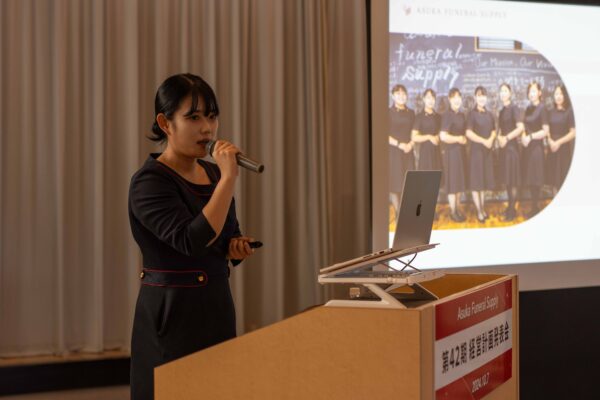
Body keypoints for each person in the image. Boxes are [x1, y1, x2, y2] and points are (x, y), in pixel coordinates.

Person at [128, 73, 256, 400]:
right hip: (172, 313)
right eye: (194, 117)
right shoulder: (149, 182)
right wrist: (229, 180)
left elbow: (226, 233)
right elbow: (190, 241)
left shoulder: (213, 173)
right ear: (165, 123)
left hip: (216, 306)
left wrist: (235, 247)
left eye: (212, 117)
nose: (207, 129)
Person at [466, 86, 496, 223]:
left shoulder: (489, 114)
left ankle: (482, 209)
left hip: (487, 153)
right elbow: (468, 133)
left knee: (483, 182)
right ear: (475, 97)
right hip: (476, 153)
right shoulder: (472, 114)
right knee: (476, 183)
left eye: (483, 96)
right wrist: (484, 141)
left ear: (486, 98)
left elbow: (494, 130)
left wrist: (490, 139)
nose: (481, 98)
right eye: (479, 96)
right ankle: (479, 211)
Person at [496, 83, 524, 221]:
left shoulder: (514, 108)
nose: (503, 93)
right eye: (501, 91)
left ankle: (512, 211)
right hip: (504, 149)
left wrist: (506, 138)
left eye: (505, 91)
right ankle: (510, 207)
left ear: (510, 93)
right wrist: (499, 138)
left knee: (512, 181)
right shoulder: (502, 111)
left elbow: (520, 128)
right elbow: (501, 129)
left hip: (512, 149)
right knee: (507, 180)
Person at [440, 88, 468, 222]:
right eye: (454, 97)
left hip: (460, 152)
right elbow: (443, 136)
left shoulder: (461, 115)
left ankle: (457, 208)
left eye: (458, 97)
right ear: (449, 99)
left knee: (459, 182)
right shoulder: (447, 115)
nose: (457, 100)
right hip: (451, 153)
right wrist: (458, 139)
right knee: (452, 183)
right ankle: (453, 212)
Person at [521, 81, 549, 217]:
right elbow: (524, 126)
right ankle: (534, 207)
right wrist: (523, 136)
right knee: (531, 178)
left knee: (536, 179)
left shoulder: (542, 108)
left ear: (539, 92)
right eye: (529, 91)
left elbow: (545, 131)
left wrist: (530, 137)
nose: (531, 94)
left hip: (537, 148)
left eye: (533, 91)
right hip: (527, 148)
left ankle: (535, 209)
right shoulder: (528, 108)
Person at [388, 84, 415, 219]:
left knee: (408, 182)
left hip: (408, 151)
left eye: (403, 94)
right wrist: (400, 145)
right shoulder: (388, 112)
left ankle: (406, 211)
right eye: (398, 94)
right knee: (395, 183)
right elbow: (383, 134)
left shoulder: (411, 112)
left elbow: (415, 131)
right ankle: (398, 212)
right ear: (392, 96)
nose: (401, 96)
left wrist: (411, 144)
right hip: (394, 152)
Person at [547, 84, 576, 194]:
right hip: (552, 149)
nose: (558, 96)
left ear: (565, 95)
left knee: (563, 181)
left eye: (561, 94)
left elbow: (573, 133)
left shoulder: (569, 111)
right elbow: (547, 130)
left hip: (563, 150)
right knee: (553, 181)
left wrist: (558, 142)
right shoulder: (551, 112)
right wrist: (550, 141)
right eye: (556, 94)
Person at [412, 88, 441, 171]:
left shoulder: (438, 116)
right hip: (425, 152)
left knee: (437, 176)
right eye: (428, 98)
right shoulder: (419, 117)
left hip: (437, 152)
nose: (431, 100)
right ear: (424, 99)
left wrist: (438, 136)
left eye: (433, 98)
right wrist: (429, 137)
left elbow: (441, 132)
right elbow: (414, 137)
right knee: (426, 176)